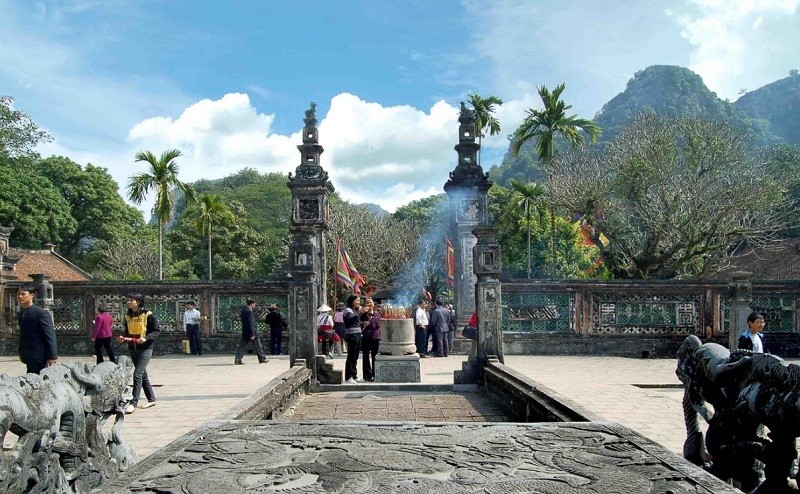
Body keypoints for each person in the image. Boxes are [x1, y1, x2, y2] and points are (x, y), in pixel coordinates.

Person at [118, 293, 159, 413]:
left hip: (146, 348)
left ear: (139, 302)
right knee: (143, 375)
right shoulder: (127, 316)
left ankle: (133, 402)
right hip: (133, 348)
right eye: (128, 300)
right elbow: (127, 332)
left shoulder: (148, 314)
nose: (129, 302)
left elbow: (156, 331)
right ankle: (151, 399)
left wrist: (146, 338)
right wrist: (123, 337)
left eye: (132, 300)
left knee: (137, 374)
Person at [17, 283, 58, 374]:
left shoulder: (41, 314)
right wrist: (21, 351)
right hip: (28, 355)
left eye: (23, 294)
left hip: (40, 355)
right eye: (18, 294)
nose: (20, 296)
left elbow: (50, 335)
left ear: (31, 295)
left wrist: (52, 356)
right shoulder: (20, 314)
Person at [235, 299, 268, 364]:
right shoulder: (249, 311)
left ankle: (238, 359)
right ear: (252, 304)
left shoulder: (244, 311)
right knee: (258, 345)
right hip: (251, 331)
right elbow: (251, 323)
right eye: (254, 304)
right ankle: (262, 359)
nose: (255, 305)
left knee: (242, 346)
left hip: (245, 331)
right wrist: (252, 333)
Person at [360, 298, 381, 382]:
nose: (369, 304)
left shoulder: (377, 314)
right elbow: (358, 324)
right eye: (367, 303)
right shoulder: (363, 315)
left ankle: (376, 374)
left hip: (376, 337)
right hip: (366, 337)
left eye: (370, 302)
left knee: (375, 356)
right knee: (366, 356)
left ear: (373, 304)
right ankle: (367, 375)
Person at [343, 294, 362, 383]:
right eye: (357, 300)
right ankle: (349, 376)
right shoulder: (348, 310)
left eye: (359, 300)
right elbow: (351, 320)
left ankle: (354, 375)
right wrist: (360, 313)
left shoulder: (355, 310)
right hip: (351, 335)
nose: (358, 302)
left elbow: (357, 322)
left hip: (357, 333)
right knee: (351, 355)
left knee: (356, 356)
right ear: (352, 301)